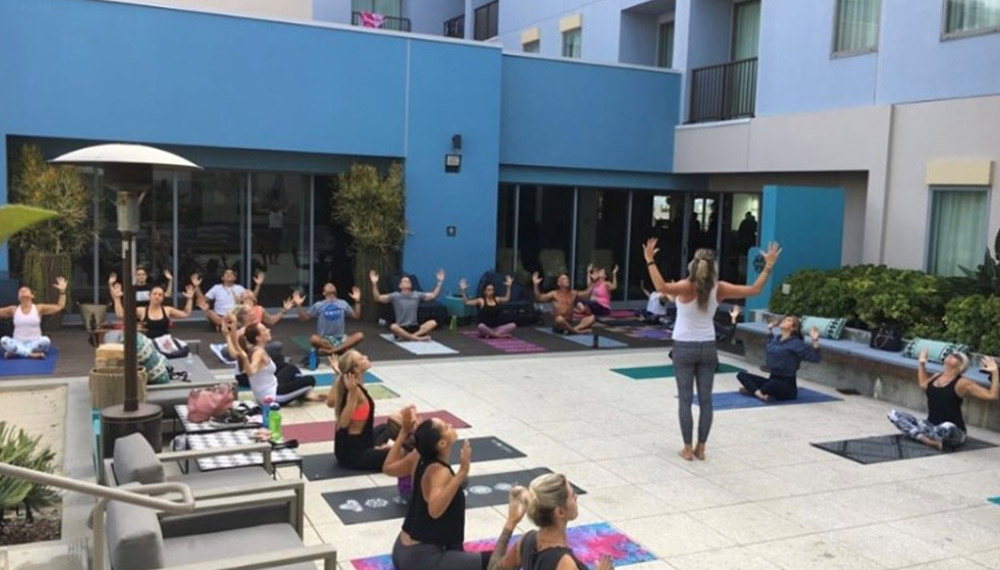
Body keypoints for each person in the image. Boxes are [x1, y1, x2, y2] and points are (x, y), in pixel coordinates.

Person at [644, 238, 781, 461]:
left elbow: (660, 287)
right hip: (708, 348)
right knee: (706, 401)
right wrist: (768, 265)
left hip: (684, 347)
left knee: (685, 400)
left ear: (693, 265)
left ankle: (687, 449)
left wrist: (650, 260)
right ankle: (701, 447)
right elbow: (755, 290)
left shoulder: (686, 286)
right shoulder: (720, 288)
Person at [389, 416, 518, 570]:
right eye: (446, 427)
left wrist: (404, 432)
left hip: (402, 549)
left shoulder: (417, 457)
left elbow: (388, 468)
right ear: (442, 443)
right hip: (420, 559)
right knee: (504, 562)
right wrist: (462, 473)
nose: (450, 425)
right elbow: (434, 510)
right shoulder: (439, 471)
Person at [487, 472, 613, 570]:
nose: (576, 497)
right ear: (560, 512)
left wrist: (510, 523)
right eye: (571, 495)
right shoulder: (565, 563)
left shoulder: (526, 541)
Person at [888, 351, 999, 451]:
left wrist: (994, 373)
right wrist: (922, 364)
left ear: (961, 365)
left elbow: (992, 395)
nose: (951, 355)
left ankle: (920, 435)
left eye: (955, 356)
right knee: (894, 415)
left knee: (946, 426)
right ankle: (929, 441)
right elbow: (923, 384)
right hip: (930, 426)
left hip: (954, 431)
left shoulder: (962, 383)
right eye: (950, 354)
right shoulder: (937, 376)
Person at [223, 319, 319, 405]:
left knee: (291, 369)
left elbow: (233, 352)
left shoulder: (254, 349)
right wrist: (244, 358)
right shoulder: (258, 353)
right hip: (272, 397)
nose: (268, 330)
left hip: (273, 387)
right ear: (258, 338)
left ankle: (301, 392)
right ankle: (304, 393)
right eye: (264, 330)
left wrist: (227, 335)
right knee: (310, 380)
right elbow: (251, 372)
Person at [331, 349, 397, 470]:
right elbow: (343, 423)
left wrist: (338, 372)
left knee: (386, 428)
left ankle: (379, 449)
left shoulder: (348, 382)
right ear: (356, 369)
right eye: (361, 358)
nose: (366, 357)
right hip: (353, 455)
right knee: (401, 453)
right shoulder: (354, 390)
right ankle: (380, 451)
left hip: (357, 444)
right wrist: (352, 394)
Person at [736, 316, 820, 402]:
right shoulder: (776, 339)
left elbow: (815, 358)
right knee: (741, 375)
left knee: (770, 385)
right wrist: (770, 328)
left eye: (788, 320)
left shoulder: (796, 343)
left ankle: (754, 391)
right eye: (784, 319)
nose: (784, 320)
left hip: (787, 385)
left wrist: (815, 341)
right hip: (772, 378)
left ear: (793, 328)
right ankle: (760, 394)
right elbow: (769, 342)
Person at [111, 281, 198, 350]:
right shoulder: (141, 310)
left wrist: (190, 299)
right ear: (150, 296)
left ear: (163, 298)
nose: (157, 296)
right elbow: (120, 314)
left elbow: (185, 313)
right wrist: (117, 298)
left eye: (160, 295)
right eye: (155, 294)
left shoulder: (167, 310)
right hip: (148, 345)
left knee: (183, 349)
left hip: (164, 344)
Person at [0, 278, 67, 359]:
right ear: (18, 297)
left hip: (35, 343)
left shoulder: (39, 308)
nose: (23, 291)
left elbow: (59, 306)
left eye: (26, 290)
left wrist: (62, 291)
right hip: (18, 342)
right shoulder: (13, 309)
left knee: (46, 340)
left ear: (32, 296)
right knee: (3, 340)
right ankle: (30, 354)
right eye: (21, 291)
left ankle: (18, 351)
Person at [371, 269, 444, 342]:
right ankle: (416, 338)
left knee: (433, 322)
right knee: (393, 327)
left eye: (409, 281)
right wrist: (374, 284)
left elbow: (433, 295)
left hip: (414, 327)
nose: (407, 282)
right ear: (400, 286)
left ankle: (412, 336)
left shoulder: (417, 295)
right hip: (401, 327)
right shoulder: (395, 296)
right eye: (405, 281)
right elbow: (377, 298)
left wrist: (439, 282)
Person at [294, 283, 364, 355]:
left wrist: (357, 301)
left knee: (360, 335)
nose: (331, 286)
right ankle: (340, 350)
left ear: (336, 291)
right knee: (314, 339)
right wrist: (299, 305)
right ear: (324, 293)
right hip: (325, 339)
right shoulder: (319, 305)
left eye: (332, 286)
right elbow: (304, 319)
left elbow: (356, 316)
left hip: (341, 338)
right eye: (327, 286)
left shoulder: (343, 303)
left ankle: (331, 351)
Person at [194, 268, 264, 328]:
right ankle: (231, 325)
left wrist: (258, 285)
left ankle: (228, 326)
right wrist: (196, 286)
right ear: (222, 278)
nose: (229, 275)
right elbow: (203, 300)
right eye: (226, 274)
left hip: (236, 315)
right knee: (210, 313)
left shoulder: (239, 288)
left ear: (235, 278)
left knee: (247, 304)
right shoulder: (216, 288)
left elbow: (252, 298)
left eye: (231, 274)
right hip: (221, 316)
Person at [109, 267, 173, 308]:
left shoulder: (152, 287)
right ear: (135, 276)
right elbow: (115, 297)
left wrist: (170, 280)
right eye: (139, 275)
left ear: (146, 276)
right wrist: (110, 284)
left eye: (143, 274)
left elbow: (167, 294)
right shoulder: (130, 288)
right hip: (134, 316)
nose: (141, 276)